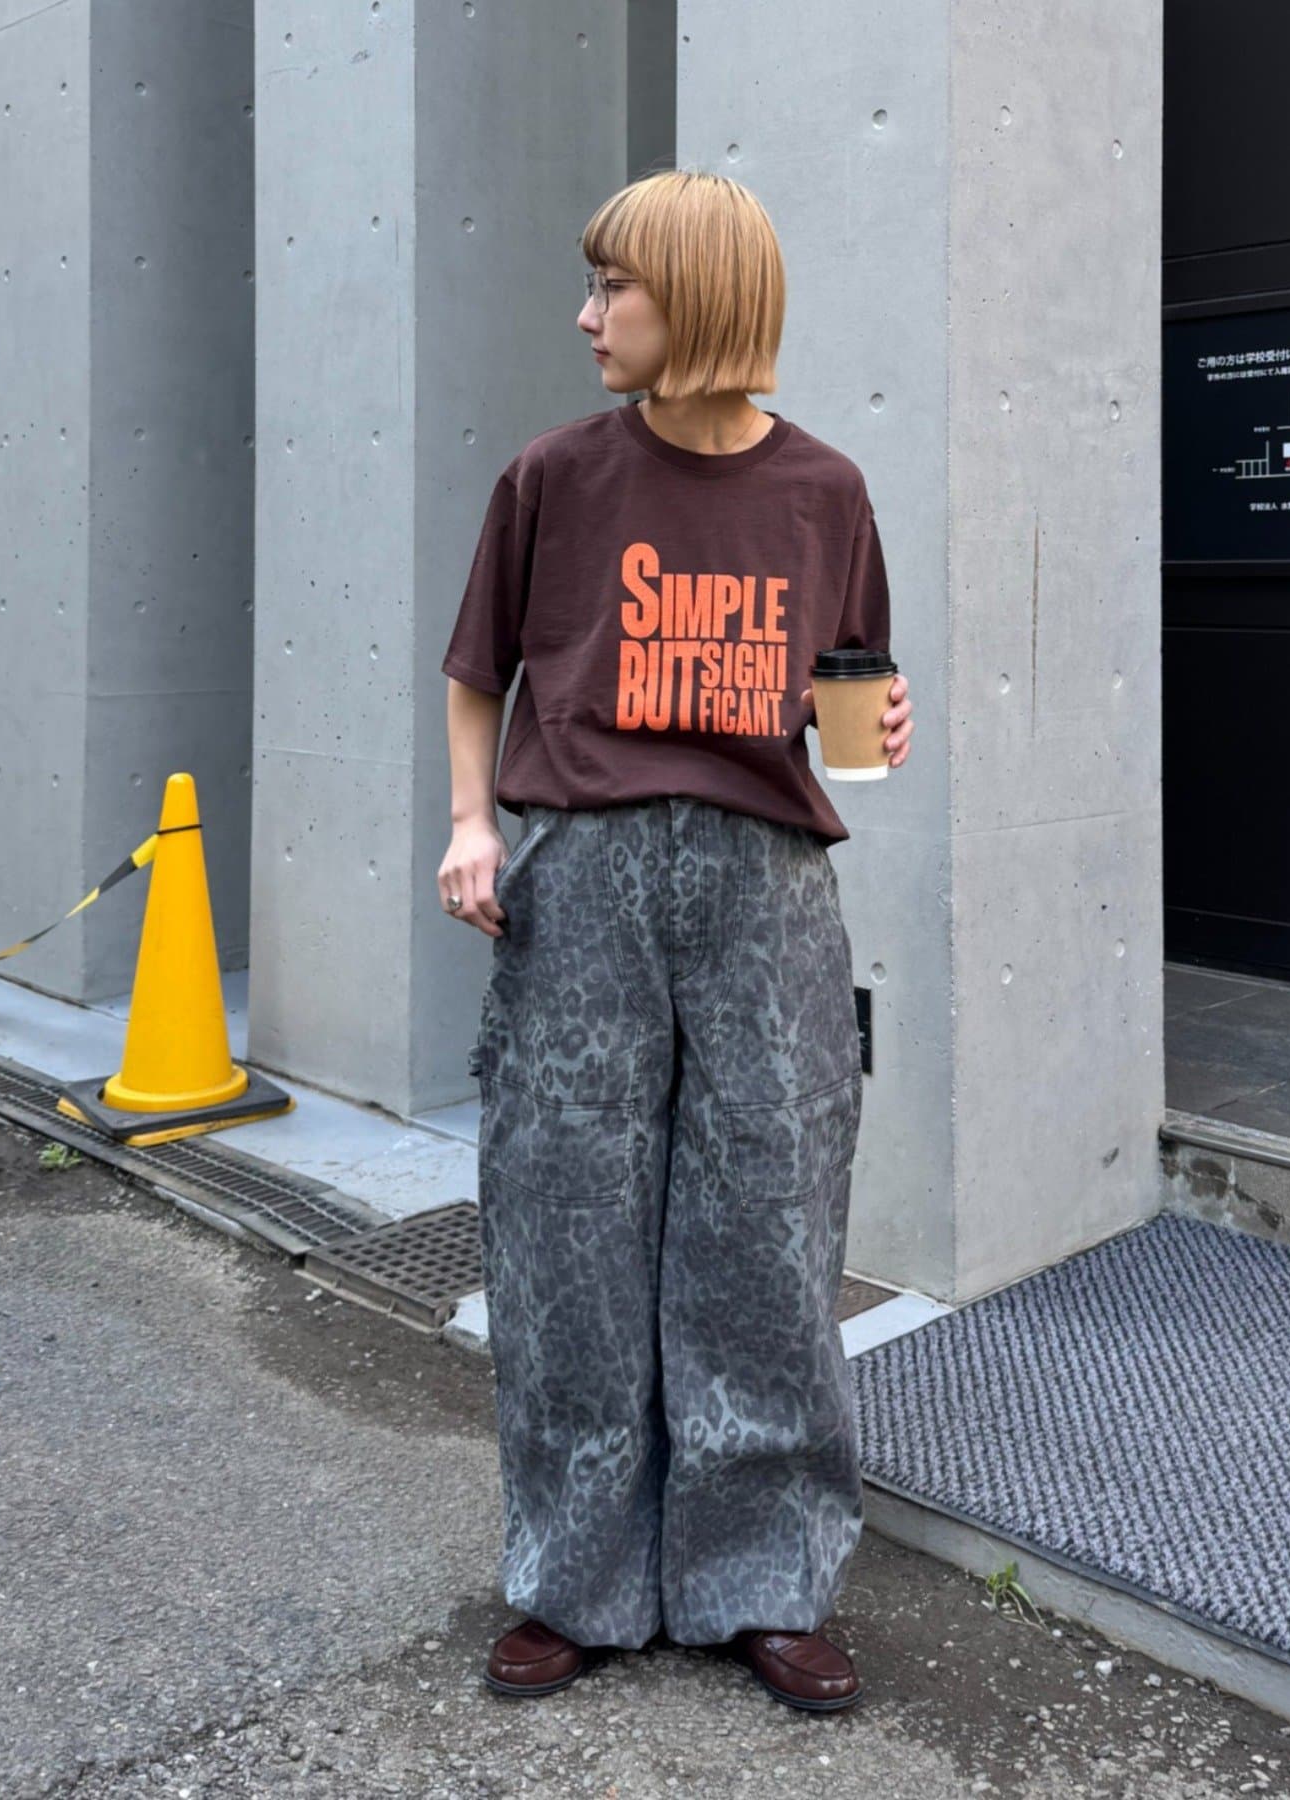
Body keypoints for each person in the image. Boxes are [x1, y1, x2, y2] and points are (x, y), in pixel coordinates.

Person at [437, 169, 913, 1713]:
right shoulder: (553, 477)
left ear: (696, 300)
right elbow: (477, 670)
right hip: (583, 869)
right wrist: (472, 823)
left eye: (613, 289)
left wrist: (877, 727)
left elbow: (849, 710)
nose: (587, 317)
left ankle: (761, 1582)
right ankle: (574, 1581)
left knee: (768, 1222)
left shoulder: (826, 491)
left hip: (764, 883)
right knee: (565, 1218)